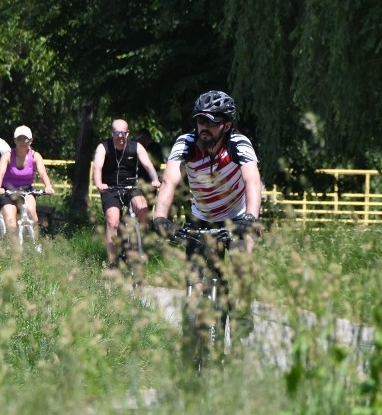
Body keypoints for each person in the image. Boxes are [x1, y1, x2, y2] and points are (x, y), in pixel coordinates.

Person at [152, 91, 262, 344]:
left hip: (237, 215)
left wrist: (250, 218)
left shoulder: (238, 144)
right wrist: (160, 218)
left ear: (226, 125)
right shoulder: (186, 143)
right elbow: (169, 180)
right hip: (200, 217)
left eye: (212, 122)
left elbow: (252, 181)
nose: (205, 127)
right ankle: (191, 340)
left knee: (241, 259)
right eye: (201, 121)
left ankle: (242, 310)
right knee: (194, 279)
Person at [93, 119, 162, 267]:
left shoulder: (136, 147)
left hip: (131, 186)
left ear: (127, 133)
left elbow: (149, 166)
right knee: (112, 221)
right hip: (110, 188)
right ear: (112, 133)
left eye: (122, 133)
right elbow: (97, 168)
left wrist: (155, 180)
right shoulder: (103, 147)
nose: (119, 136)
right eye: (116, 133)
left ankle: (138, 247)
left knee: (143, 210)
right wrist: (99, 183)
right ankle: (112, 262)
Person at [0, 124, 55, 236]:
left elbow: (42, 172)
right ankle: (15, 247)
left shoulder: (35, 156)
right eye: (19, 139)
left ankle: (35, 243)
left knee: (31, 213)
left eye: (25, 139)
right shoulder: (7, 156)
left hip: (26, 191)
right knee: (10, 220)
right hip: (7, 192)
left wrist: (48, 186)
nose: (22, 142)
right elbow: (0, 173)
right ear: (14, 140)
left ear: (31, 140)